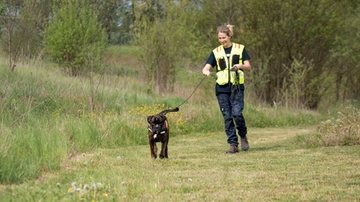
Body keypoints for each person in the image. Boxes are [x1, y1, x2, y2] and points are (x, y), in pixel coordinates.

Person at [202, 24, 251, 154]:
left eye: (224, 37)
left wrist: (239, 65)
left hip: (236, 87)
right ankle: (233, 144)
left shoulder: (240, 49)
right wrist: (206, 71)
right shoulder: (216, 52)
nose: (222, 40)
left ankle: (243, 135)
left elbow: (248, 66)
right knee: (227, 117)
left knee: (237, 114)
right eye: (219, 38)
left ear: (229, 36)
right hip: (222, 89)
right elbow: (206, 67)